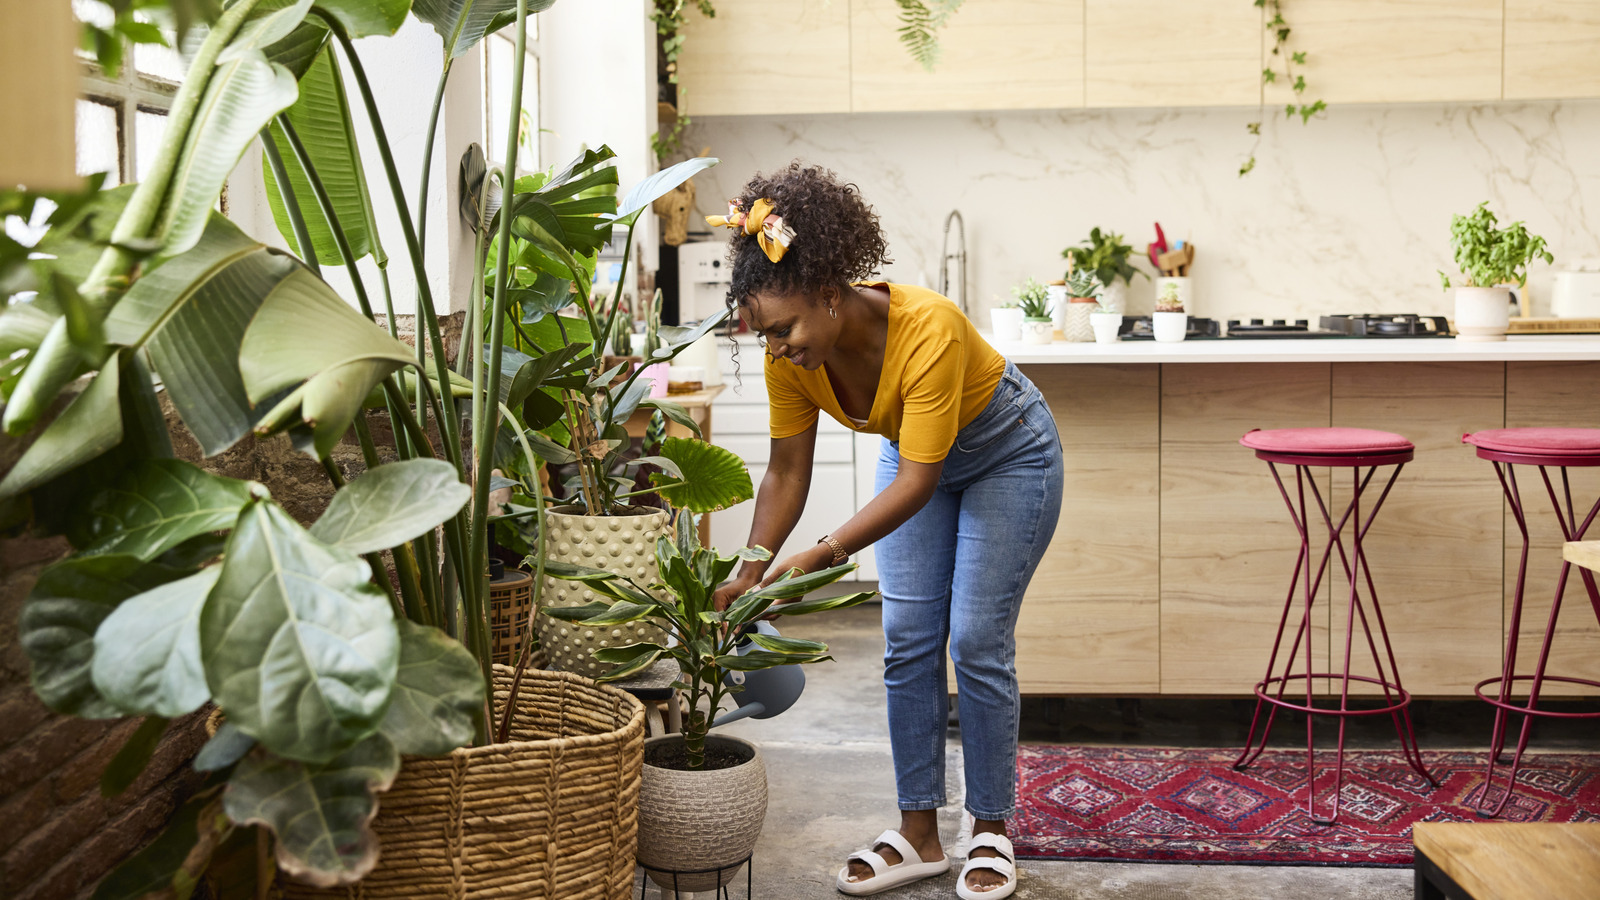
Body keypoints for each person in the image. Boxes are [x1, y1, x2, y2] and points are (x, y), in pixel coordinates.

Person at [708, 163, 1064, 900]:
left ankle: (991, 827)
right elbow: (784, 471)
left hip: (1008, 452)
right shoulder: (793, 360)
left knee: (974, 639)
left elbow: (917, 483)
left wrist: (823, 554)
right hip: (919, 456)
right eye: (765, 335)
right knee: (908, 638)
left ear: (831, 294)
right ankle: (919, 834)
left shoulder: (926, 326)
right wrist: (749, 567)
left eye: (784, 329)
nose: (776, 348)